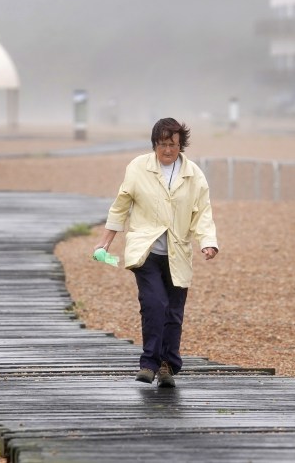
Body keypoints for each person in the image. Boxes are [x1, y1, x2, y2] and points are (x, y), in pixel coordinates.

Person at [93, 117, 218, 388]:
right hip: (145, 250)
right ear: (154, 145)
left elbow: (202, 213)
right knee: (154, 304)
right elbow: (120, 206)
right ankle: (148, 363)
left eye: (173, 144)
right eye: (162, 144)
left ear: (181, 145)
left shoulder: (194, 174)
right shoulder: (138, 168)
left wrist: (207, 241)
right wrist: (105, 243)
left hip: (177, 253)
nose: (167, 150)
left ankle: (167, 366)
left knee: (173, 311)